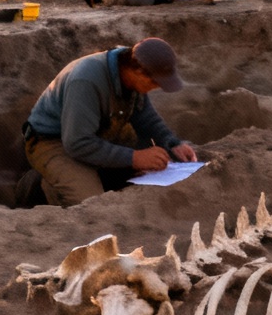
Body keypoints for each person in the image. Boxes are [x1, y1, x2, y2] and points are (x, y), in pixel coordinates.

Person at [22, 37, 198, 207]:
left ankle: (84, 174)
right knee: (91, 203)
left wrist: (172, 143)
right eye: (155, 82)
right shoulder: (86, 80)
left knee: (145, 160)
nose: (157, 87)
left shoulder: (127, 70)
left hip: (93, 133)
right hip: (53, 141)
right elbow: (77, 143)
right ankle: (40, 187)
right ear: (137, 71)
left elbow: (146, 119)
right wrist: (134, 158)